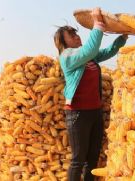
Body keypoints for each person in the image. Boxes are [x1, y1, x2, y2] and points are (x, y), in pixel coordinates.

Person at [54, 7, 128, 181]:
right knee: (78, 160)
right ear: (63, 43)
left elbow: (106, 52)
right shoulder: (67, 57)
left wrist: (122, 37)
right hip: (77, 114)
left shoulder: (88, 57)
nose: (77, 36)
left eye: (76, 33)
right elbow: (89, 49)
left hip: (94, 112)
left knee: (92, 158)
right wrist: (98, 25)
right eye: (71, 36)